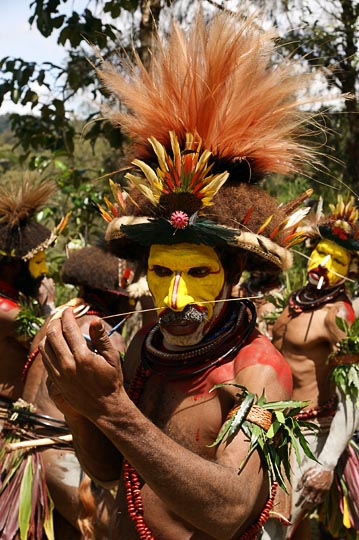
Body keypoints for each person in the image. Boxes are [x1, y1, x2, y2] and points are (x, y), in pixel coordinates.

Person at [39, 12, 330, 540]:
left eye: (197, 272)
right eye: (161, 272)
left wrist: (112, 407)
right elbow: (107, 470)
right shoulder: (143, 345)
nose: (174, 300)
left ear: (233, 273)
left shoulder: (257, 370)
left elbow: (230, 513)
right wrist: (78, 402)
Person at [0, 244, 134, 540]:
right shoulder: (103, 333)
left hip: (21, 447)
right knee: (123, 532)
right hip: (55, 455)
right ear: (116, 297)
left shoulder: (58, 316)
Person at [271, 194, 359, 539]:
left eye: (335, 259)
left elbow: (353, 396)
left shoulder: (337, 315)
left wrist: (326, 463)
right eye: (321, 253)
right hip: (274, 428)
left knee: (272, 529)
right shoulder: (293, 300)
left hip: (310, 437)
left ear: (349, 270)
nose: (323, 264)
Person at [0, 178, 58, 408]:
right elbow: (49, 343)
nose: (44, 271)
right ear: (14, 265)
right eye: (39, 262)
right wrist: (49, 306)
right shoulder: (6, 311)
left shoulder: (12, 301)